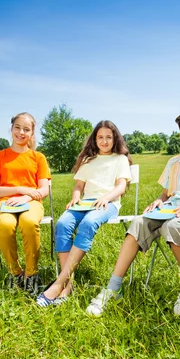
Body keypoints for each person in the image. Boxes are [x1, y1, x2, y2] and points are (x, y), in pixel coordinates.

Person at [86, 111, 180, 317]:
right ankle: (113, 287)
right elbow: (165, 194)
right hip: (170, 208)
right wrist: (158, 201)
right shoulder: (173, 162)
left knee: (172, 226)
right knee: (138, 222)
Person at [36, 120, 132, 307]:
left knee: (88, 224)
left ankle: (59, 284)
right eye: (100, 137)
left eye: (108, 137)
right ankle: (68, 283)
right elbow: (79, 186)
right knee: (63, 224)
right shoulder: (88, 160)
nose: (104, 141)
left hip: (108, 203)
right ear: (94, 140)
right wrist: (75, 198)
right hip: (84, 203)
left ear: (115, 139)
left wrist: (106, 197)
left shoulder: (120, 159)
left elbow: (121, 186)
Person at [0, 112, 51, 295]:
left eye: (26, 129)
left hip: (32, 201)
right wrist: (21, 189)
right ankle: (16, 274)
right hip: (6, 203)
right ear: (11, 128)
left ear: (32, 133)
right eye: (17, 127)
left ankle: (31, 274)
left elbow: (44, 189)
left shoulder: (38, 158)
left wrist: (27, 197)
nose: (21, 132)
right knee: (5, 225)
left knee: (29, 222)